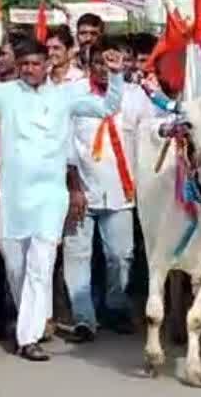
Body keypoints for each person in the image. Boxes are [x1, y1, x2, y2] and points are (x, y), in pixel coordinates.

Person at [0, 38, 125, 362]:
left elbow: (108, 107)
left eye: (35, 63)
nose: (29, 69)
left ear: (47, 65)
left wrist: (117, 74)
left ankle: (28, 337)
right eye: (24, 63)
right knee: (16, 268)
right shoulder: (5, 93)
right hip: (12, 197)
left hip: (51, 196)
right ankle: (32, 323)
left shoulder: (67, 96)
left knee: (41, 265)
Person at [62, 39, 147, 340]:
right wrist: (74, 188)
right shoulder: (73, 96)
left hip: (121, 191)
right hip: (82, 190)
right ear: (88, 64)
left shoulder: (136, 97)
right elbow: (67, 145)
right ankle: (84, 318)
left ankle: (115, 306)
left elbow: (149, 136)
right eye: (97, 62)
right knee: (77, 255)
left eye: (110, 62)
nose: (103, 68)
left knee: (121, 256)